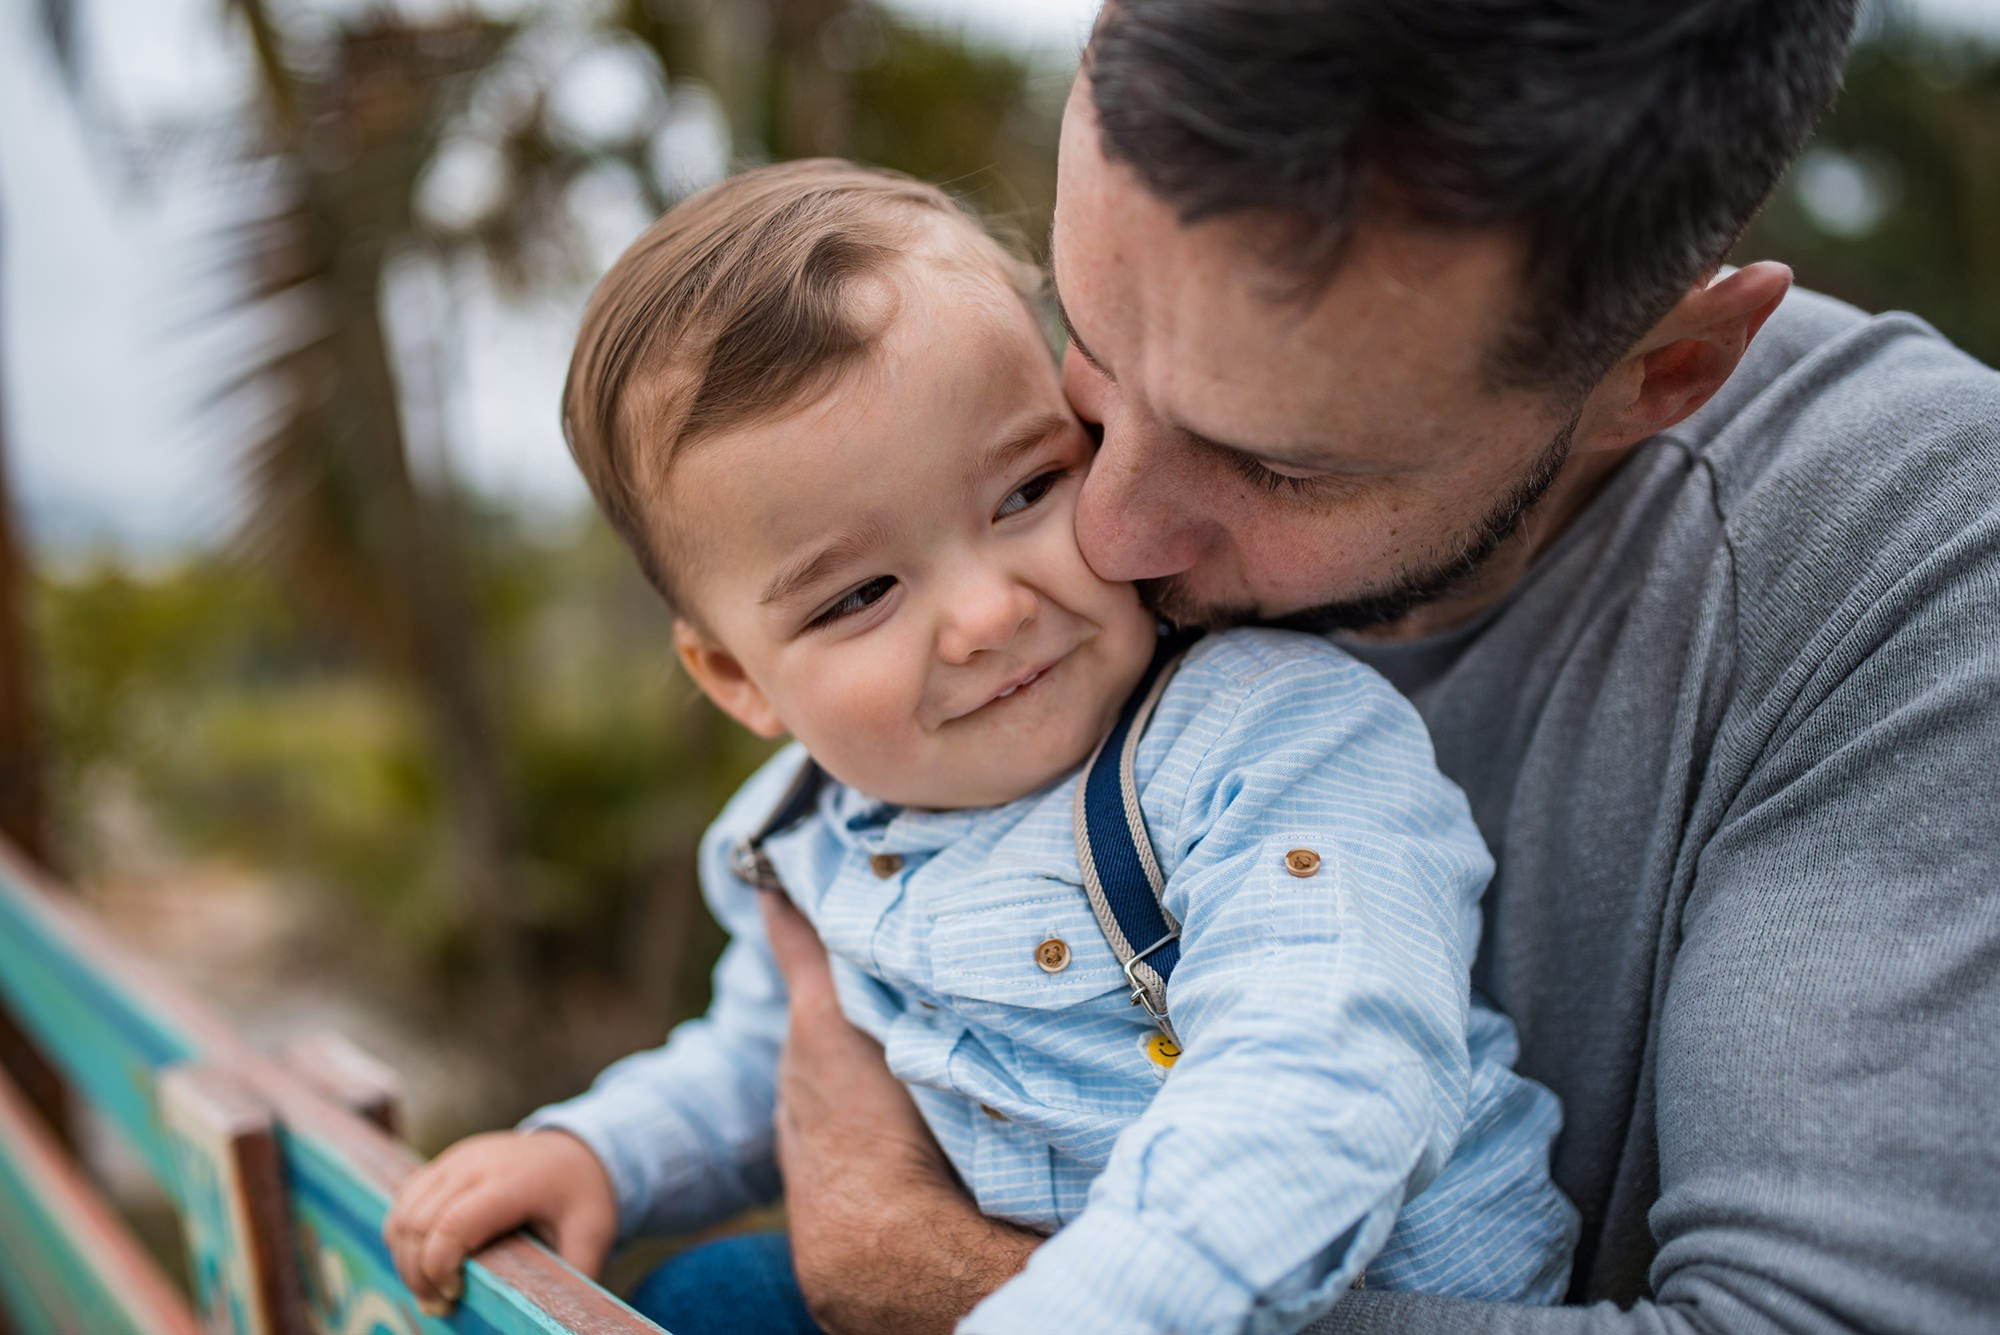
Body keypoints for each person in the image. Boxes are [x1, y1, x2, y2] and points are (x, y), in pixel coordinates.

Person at [761, 2, 2000, 1332]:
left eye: (1280, 466)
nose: (1105, 533)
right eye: (1095, 353)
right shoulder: (1058, 523)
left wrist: (924, 1264)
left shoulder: (1921, 561)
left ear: (1662, 371)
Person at [379, 159, 1579, 1332]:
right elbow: (765, 1064)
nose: (989, 613)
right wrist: (598, 1154)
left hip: (1314, 1293)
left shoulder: (1264, 743)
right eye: (857, 596)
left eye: (1023, 494)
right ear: (738, 678)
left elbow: (1317, 1085)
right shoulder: (805, 830)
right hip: (1009, 1285)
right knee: (692, 1302)